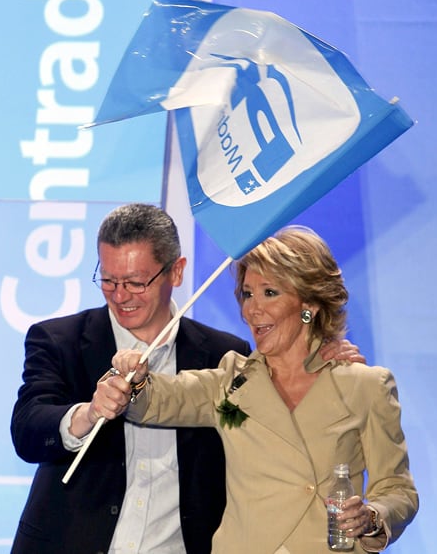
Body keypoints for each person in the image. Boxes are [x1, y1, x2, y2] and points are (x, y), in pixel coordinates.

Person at [10, 205, 365, 554]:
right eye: (108, 280)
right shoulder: (60, 340)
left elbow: (274, 439)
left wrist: (320, 362)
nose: (120, 295)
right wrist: (88, 414)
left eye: (135, 282)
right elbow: (28, 430)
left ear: (176, 272)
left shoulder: (225, 358)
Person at [114, 224, 419, 554]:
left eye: (269, 293)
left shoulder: (366, 385)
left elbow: (398, 488)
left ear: (309, 304)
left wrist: (372, 517)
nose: (252, 309)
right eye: (247, 293)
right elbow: (160, 398)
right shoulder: (232, 379)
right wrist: (134, 380)